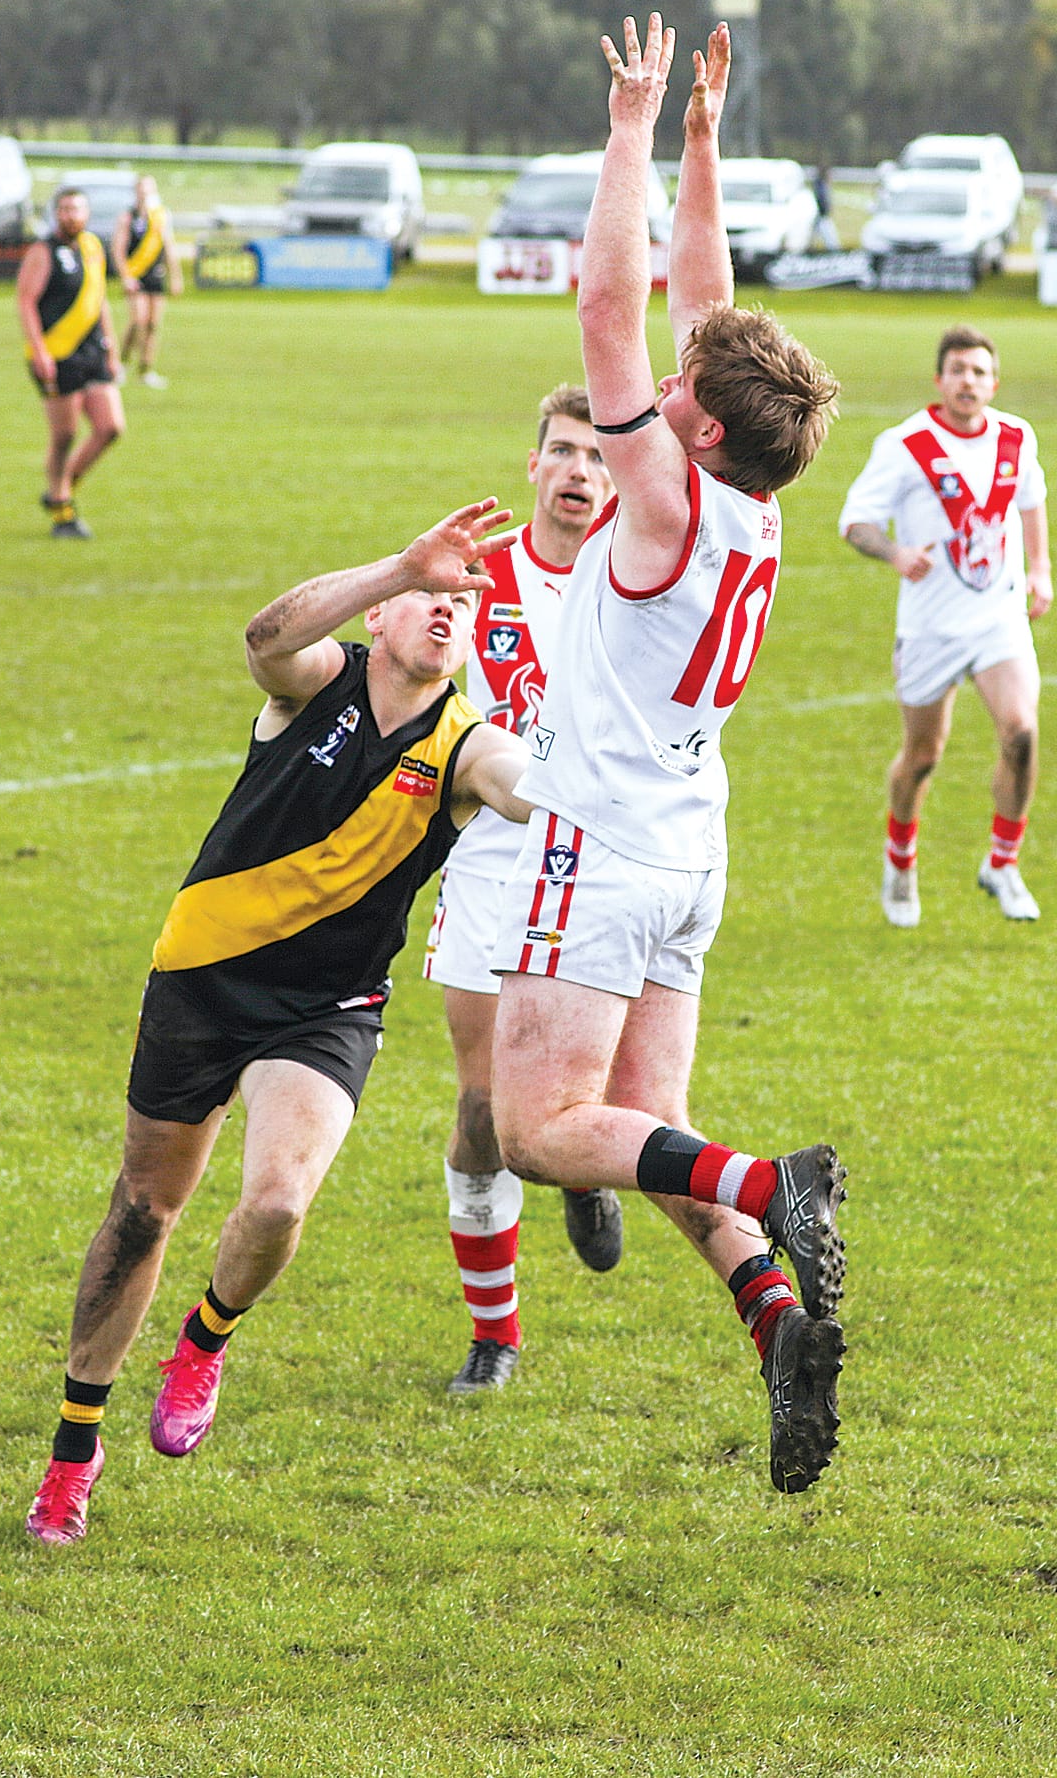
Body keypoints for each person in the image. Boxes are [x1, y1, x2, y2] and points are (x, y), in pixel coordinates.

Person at [488, 13, 848, 1497]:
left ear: (691, 431)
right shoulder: (755, 497)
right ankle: (780, 1331)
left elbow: (611, 315)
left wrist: (630, 124)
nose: (671, 386)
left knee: (539, 1128)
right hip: (693, 843)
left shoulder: (662, 497)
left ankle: (777, 1187)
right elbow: (705, 307)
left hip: (602, 843)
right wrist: (708, 141)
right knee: (646, 1130)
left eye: (682, 394)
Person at [25, 501, 536, 1545]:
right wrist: (399, 563)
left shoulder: (466, 744)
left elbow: (528, 788)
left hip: (325, 1010)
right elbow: (266, 637)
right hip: (200, 983)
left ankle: (205, 1335)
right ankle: (73, 1452)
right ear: (385, 614)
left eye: (461, 602)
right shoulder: (320, 682)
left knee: (275, 1202)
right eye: (427, 598)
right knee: (141, 1214)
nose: (445, 611)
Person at [422, 384, 625, 1398]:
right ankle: (494, 1335)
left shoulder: (637, 572)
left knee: (573, 1096)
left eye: (599, 454)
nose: (582, 470)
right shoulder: (477, 576)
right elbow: (422, 667)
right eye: (564, 452)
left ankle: (583, 1167)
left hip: (598, 856)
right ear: (534, 467)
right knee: (485, 1107)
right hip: (493, 851)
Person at [838, 325, 1052, 926]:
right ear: (939, 380)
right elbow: (856, 522)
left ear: (994, 382)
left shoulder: (1017, 436)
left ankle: (1003, 864)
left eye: (980, 372)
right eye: (958, 370)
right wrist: (896, 553)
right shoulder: (905, 443)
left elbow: (1030, 499)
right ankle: (900, 862)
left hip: (999, 621)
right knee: (923, 757)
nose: (969, 381)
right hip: (931, 629)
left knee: (1022, 733)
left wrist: (1041, 569)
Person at [16, 185, 126, 540]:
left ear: (87, 214)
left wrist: (111, 348)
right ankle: (62, 511)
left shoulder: (94, 247)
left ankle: (61, 487)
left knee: (110, 427)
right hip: (58, 354)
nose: (71, 216)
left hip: (92, 350)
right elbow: (26, 301)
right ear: (55, 214)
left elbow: (100, 300)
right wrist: (39, 351)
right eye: (64, 210)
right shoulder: (43, 251)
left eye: (76, 209)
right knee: (65, 435)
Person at [112, 173, 183, 389]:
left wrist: (176, 276)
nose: (145, 193)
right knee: (138, 320)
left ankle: (146, 369)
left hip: (155, 275)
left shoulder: (161, 216)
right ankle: (121, 364)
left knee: (153, 324)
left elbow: (169, 246)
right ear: (136, 191)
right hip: (135, 275)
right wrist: (126, 276)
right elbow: (118, 249)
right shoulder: (128, 217)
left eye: (149, 189)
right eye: (142, 189)